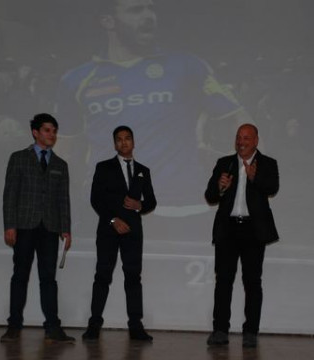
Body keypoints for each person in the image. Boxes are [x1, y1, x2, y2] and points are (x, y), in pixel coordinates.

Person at [56, 0, 250, 232]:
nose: (149, 16)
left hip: (181, 209)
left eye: (151, 8)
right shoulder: (77, 79)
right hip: (108, 210)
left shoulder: (186, 66)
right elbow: (63, 151)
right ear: (108, 21)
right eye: (136, 10)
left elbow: (239, 122)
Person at [0, 113, 74, 344]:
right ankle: (14, 326)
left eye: (54, 131)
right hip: (24, 226)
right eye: (47, 130)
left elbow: (63, 200)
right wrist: (10, 225)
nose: (52, 134)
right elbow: (10, 194)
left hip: (49, 229)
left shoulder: (60, 165)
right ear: (35, 132)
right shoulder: (19, 158)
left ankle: (53, 327)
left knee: (48, 279)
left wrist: (66, 229)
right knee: (20, 276)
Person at [204, 123, 279, 348]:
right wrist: (220, 187)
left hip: (253, 230)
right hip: (228, 229)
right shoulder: (224, 163)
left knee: (252, 282)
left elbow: (272, 188)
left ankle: (251, 332)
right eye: (238, 137)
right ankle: (220, 330)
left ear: (256, 141)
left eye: (246, 138)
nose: (241, 142)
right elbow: (210, 195)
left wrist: (255, 178)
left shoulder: (267, 163)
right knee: (223, 281)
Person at [82, 125, 156, 341]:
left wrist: (140, 205)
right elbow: (96, 199)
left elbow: (151, 201)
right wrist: (113, 220)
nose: (124, 142)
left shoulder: (143, 170)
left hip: (133, 232)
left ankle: (136, 325)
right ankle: (94, 324)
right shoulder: (103, 167)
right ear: (115, 144)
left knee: (133, 277)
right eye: (119, 139)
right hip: (108, 230)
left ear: (133, 142)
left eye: (127, 138)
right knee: (102, 276)